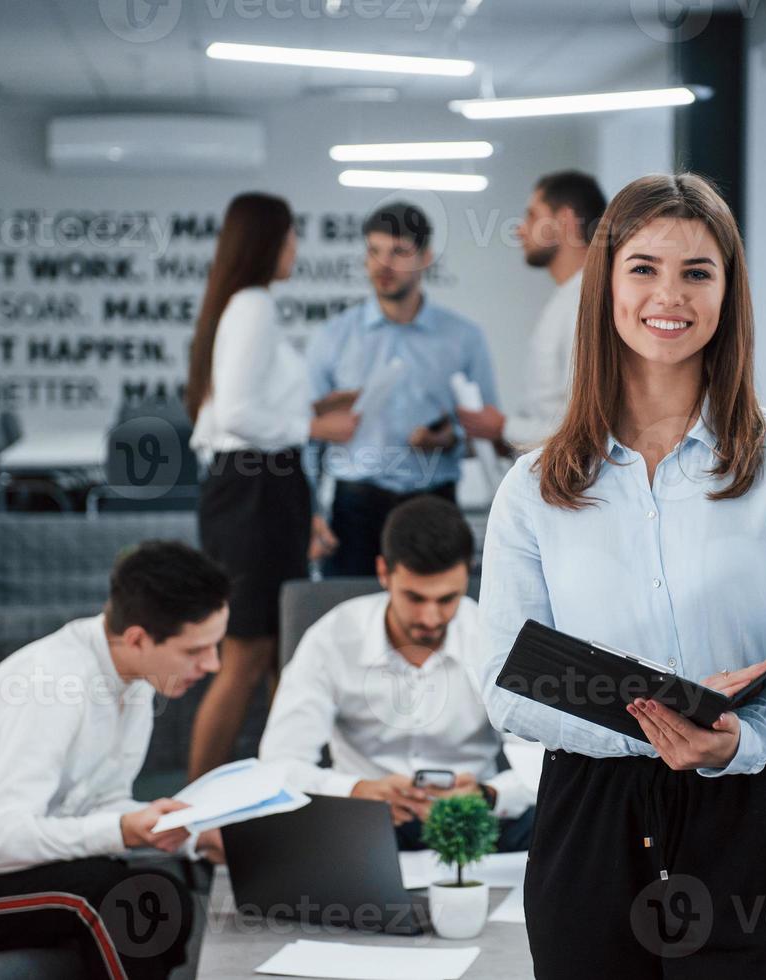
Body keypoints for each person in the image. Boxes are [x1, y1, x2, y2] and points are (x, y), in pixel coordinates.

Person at [475, 173, 766, 978]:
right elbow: (505, 681)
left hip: (750, 813)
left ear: (728, 292)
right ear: (605, 282)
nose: (668, 295)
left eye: (697, 272)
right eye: (643, 267)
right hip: (592, 823)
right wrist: (649, 722)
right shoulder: (535, 485)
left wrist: (735, 742)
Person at [0, 541, 232, 980]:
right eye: (195, 651)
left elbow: (99, 804)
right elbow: (1, 840)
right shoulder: (53, 686)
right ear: (138, 638)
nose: (214, 664)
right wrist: (123, 830)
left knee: (159, 899)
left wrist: (192, 835)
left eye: (215, 646)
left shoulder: (135, 678)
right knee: (121, 898)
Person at [184, 192, 360, 779]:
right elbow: (237, 416)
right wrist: (315, 424)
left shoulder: (240, 305)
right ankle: (189, 815)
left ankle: (289, 790)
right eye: (289, 237)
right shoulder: (253, 304)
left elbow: (249, 405)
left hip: (259, 489)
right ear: (267, 243)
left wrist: (311, 406)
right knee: (247, 654)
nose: (295, 249)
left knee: (277, 650)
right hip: (254, 492)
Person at [258, 495, 535, 852]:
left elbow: (538, 762)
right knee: (278, 818)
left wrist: (489, 793)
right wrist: (356, 791)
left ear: (468, 576)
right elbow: (280, 763)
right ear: (383, 573)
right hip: (363, 823)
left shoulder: (494, 638)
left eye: (447, 599)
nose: (431, 618)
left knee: (553, 820)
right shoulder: (331, 639)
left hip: (475, 819)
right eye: (415, 598)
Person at [304, 201, 501, 577]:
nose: (383, 265)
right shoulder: (332, 337)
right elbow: (306, 436)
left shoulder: (463, 338)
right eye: (374, 252)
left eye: (398, 252)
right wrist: (311, 512)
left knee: (437, 621)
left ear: (425, 257)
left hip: (434, 506)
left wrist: (450, 438)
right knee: (350, 617)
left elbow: (487, 428)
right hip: (355, 509)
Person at [458, 170, 606, 454]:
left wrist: (503, 427)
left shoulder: (589, 303)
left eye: (532, 216)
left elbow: (591, 428)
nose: (520, 229)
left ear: (564, 220)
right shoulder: (567, 297)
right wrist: (506, 436)